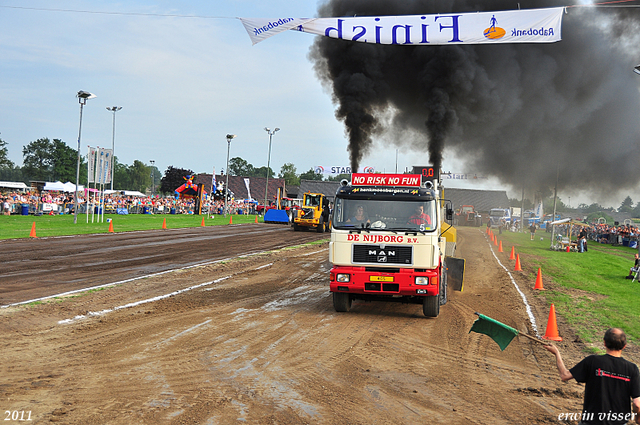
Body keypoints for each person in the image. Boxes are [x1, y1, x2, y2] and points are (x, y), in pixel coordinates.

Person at [544, 328, 640, 425]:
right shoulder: (632, 369)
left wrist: (556, 353)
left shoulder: (592, 361)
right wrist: (638, 418)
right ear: (624, 346)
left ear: (604, 343)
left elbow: (564, 375)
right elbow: (637, 404)